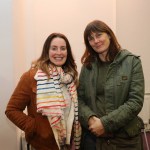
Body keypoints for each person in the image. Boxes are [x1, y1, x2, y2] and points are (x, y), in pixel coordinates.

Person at [5, 33, 81, 150]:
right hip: (42, 145)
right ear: (47, 51)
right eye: (54, 48)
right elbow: (11, 110)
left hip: (68, 145)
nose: (59, 53)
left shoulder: (71, 78)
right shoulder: (32, 77)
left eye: (63, 48)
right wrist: (34, 127)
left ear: (68, 52)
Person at [77, 20, 145, 150]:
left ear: (109, 35)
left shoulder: (132, 62)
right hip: (93, 139)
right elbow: (79, 99)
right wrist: (91, 119)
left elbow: (135, 101)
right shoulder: (87, 66)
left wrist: (104, 124)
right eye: (91, 39)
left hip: (125, 140)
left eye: (99, 35)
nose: (96, 41)